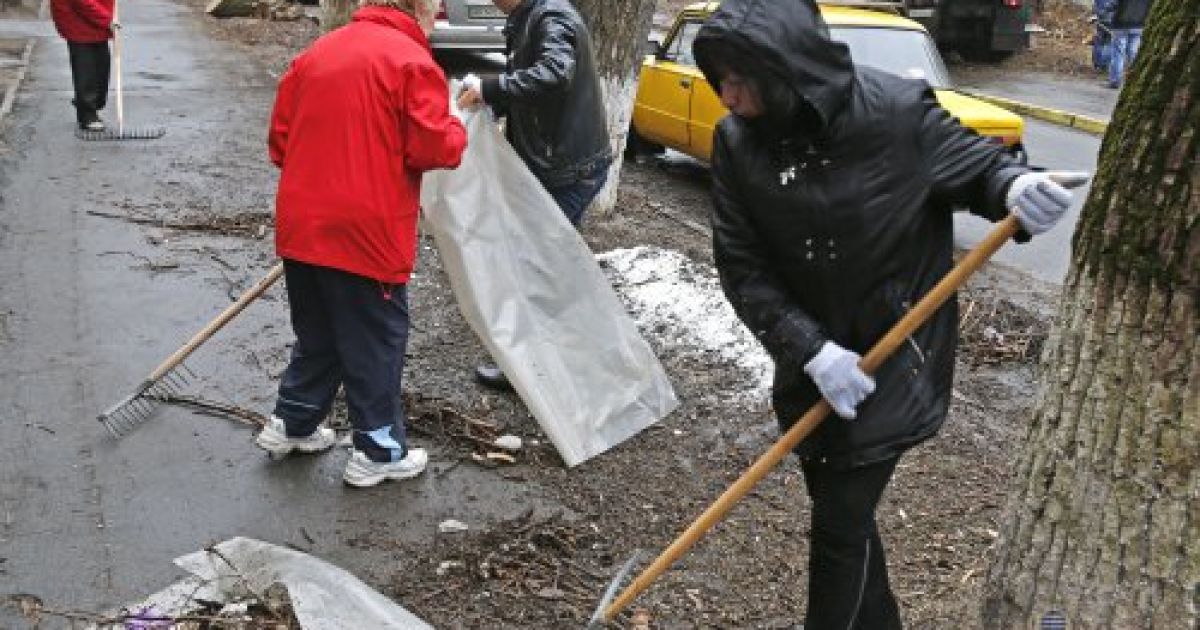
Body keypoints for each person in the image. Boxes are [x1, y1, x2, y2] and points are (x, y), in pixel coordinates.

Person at [691, 0, 1087, 627]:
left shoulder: (897, 116)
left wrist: (1015, 190)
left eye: (743, 81)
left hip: (895, 357)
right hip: (809, 364)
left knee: (838, 528)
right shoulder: (738, 141)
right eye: (721, 80)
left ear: (790, 73)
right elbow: (743, 267)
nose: (729, 97)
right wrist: (811, 351)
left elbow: (983, 168)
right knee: (834, 498)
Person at [254, 0, 466, 488]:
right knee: (375, 341)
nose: (438, 13)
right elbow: (434, 147)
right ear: (417, 5)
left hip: (304, 225)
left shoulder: (317, 53)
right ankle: (378, 450)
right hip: (365, 233)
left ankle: (293, 423)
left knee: (320, 332)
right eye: (435, 5)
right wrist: (455, 122)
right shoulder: (413, 63)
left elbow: (280, 143)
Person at [456, 0, 613, 391]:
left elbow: (554, 74)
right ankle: (553, 360)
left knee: (539, 264)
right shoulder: (528, 16)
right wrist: (494, 101)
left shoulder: (552, 16)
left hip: (570, 168)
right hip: (557, 163)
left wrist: (490, 89)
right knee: (542, 261)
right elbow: (534, 82)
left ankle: (545, 367)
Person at [50, 0, 115, 131]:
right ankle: (87, 114)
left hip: (95, 23)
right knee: (86, 69)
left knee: (101, 68)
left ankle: (87, 104)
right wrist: (107, 20)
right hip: (77, 21)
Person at [1103, 0, 1152, 89]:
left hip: (1121, 24)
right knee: (1134, 53)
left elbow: (1112, 4)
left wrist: (1105, 11)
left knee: (1118, 54)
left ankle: (1115, 81)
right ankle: (1134, 80)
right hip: (1139, 24)